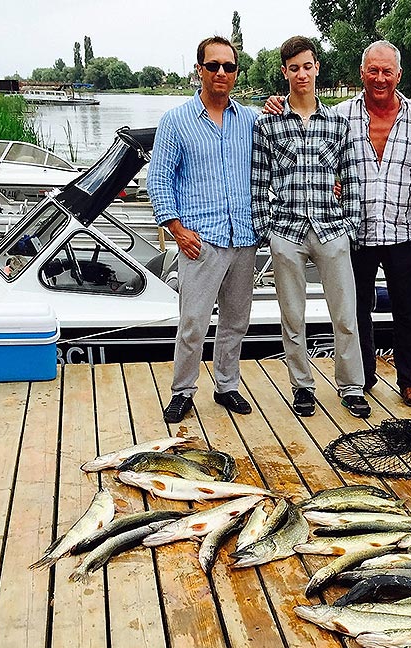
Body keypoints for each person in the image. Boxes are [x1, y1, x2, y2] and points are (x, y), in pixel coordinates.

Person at [251, 35, 370, 419]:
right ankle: (302, 386)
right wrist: (265, 227)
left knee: (345, 314)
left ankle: (351, 386)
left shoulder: (338, 122)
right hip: (286, 231)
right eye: (293, 68)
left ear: (317, 68)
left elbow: (351, 177)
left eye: (307, 66)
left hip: (331, 229)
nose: (301, 74)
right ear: (284, 72)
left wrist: (350, 226)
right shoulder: (267, 123)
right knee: (292, 316)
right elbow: (258, 181)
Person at [147, 36, 259, 424]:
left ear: (236, 73)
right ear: (200, 70)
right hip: (200, 240)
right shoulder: (176, 121)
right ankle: (183, 391)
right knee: (193, 322)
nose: (222, 73)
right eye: (213, 66)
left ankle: (227, 385)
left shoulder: (252, 120)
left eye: (229, 67)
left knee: (235, 321)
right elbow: (158, 179)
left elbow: (285, 153)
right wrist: (176, 229)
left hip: (244, 236)